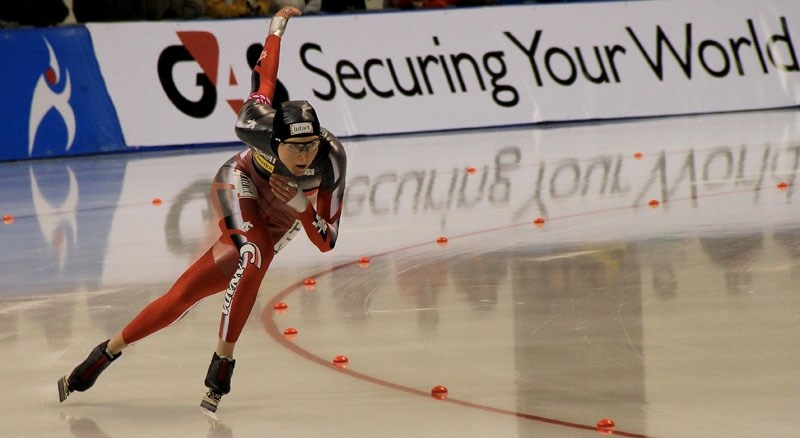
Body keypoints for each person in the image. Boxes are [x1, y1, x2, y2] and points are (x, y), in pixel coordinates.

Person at [57, 5, 347, 414]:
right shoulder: (253, 124)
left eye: (310, 145)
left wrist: (300, 204)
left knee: (183, 296)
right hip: (240, 183)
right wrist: (276, 27)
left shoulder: (331, 158)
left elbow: (327, 241)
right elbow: (265, 73)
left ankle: (105, 352)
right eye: (294, 147)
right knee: (254, 253)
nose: (304, 156)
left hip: (283, 215)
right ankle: (222, 364)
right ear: (272, 141)